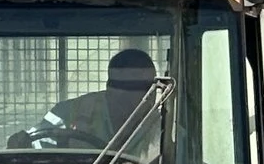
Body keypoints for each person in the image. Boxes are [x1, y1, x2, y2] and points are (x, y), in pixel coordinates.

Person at [17, 47, 162, 148]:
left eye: (149, 87)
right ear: (109, 88)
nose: (143, 95)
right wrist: (20, 144)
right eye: (126, 86)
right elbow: (35, 147)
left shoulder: (165, 128)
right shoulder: (66, 115)